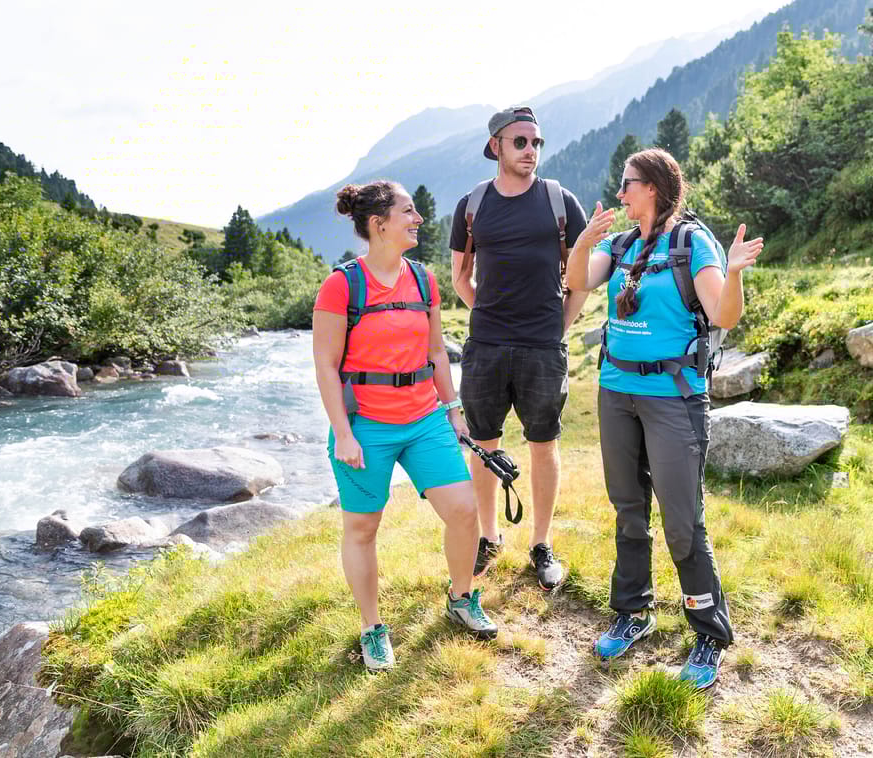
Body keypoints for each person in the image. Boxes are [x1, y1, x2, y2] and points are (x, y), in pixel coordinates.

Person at [565, 148, 763, 689]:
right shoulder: (622, 244)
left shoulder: (692, 243)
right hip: (616, 391)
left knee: (682, 519)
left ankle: (707, 631)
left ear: (652, 186)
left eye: (628, 183)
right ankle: (633, 612)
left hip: (674, 398)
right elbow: (577, 280)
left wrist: (736, 273)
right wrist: (585, 238)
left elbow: (723, 314)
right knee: (628, 508)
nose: (621, 191)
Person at [313, 180, 497, 672]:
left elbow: (437, 351)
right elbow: (326, 366)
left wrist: (453, 410)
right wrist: (345, 433)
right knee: (362, 527)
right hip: (365, 425)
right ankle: (372, 627)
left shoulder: (424, 279)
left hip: (424, 419)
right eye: (408, 212)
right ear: (379, 224)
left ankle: (462, 598)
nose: (418, 219)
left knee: (463, 510)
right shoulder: (341, 285)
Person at [449, 105, 589, 590]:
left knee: (543, 443)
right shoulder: (472, 204)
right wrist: (488, 313)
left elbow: (581, 276)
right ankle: (488, 538)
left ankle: (541, 544)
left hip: (542, 348)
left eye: (536, 143)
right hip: (485, 347)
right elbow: (460, 277)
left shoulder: (559, 200)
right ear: (497, 147)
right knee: (484, 443)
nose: (531, 151)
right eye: (520, 142)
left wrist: (558, 326)